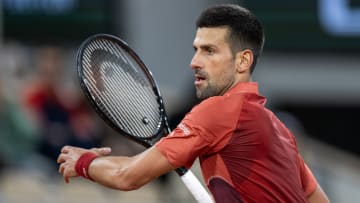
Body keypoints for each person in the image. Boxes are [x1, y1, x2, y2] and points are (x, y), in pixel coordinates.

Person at [57, 4, 330, 203]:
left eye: (209, 51)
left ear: (243, 61)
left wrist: (84, 163)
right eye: (196, 50)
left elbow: (127, 176)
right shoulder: (280, 130)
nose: (194, 62)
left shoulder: (219, 111)